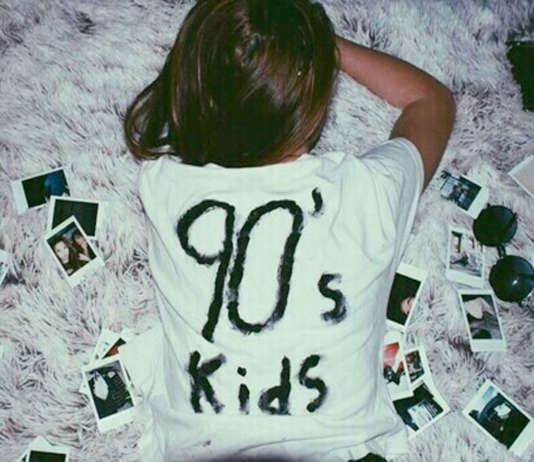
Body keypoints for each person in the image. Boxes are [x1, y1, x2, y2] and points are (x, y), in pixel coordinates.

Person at [120, 1, 456, 461]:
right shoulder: (369, 192)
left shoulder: (164, 188)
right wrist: (322, 48)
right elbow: (431, 101)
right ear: (312, 106)